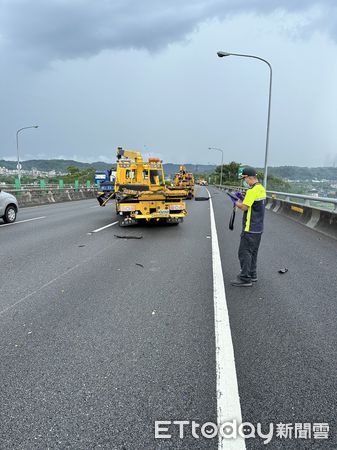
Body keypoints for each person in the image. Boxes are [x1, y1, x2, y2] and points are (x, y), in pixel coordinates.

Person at [229, 167, 266, 287]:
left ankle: (245, 278)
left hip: (250, 228)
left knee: (244, 252)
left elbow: (245, 207)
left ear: (249, 177)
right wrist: (242, 198)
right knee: (253, 252)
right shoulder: (261, 189)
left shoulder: (252, 191)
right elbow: (252, 203)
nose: (244, 181)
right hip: (258, 228)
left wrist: (235, 202)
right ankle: (252, 274)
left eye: (244, 178)